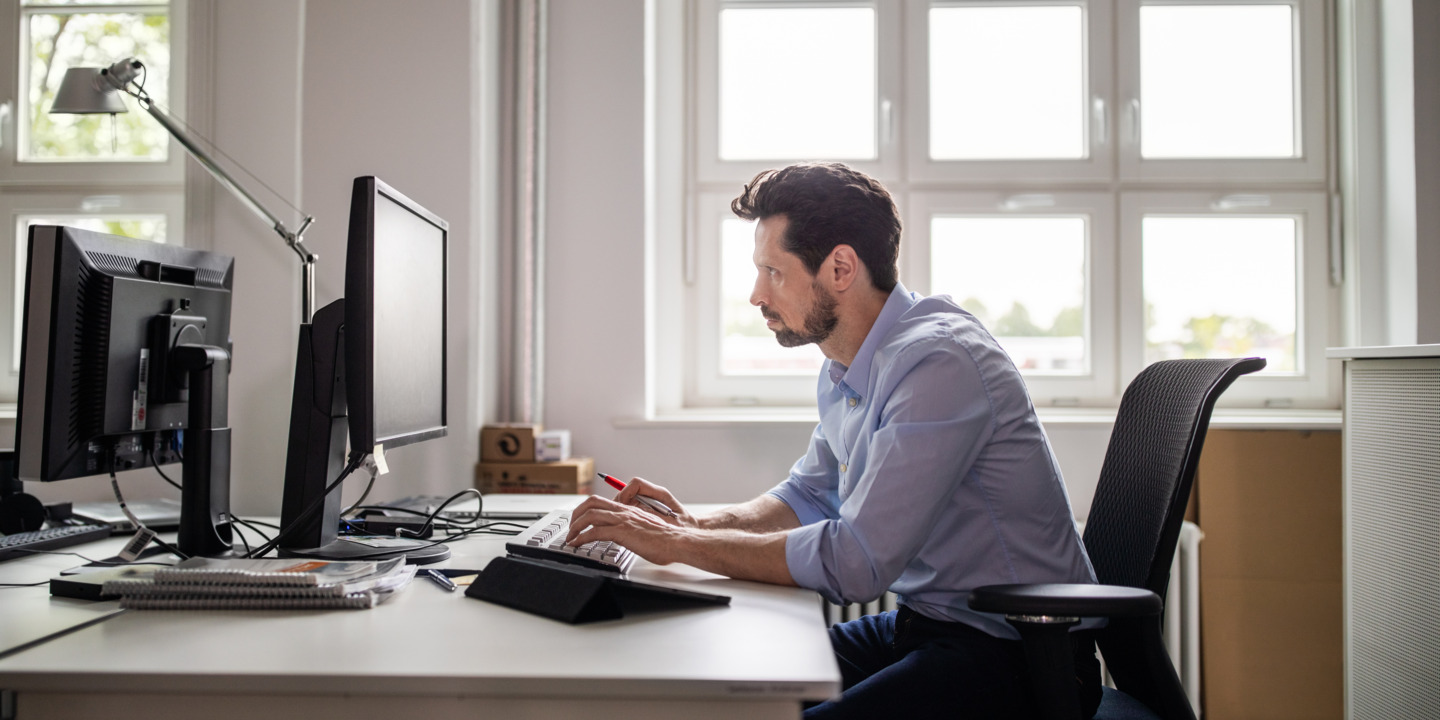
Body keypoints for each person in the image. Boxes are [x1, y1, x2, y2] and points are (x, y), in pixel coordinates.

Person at [564, 162, 1101, 719]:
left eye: (773, 271)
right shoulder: (851, 366)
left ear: (841, 267)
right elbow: (808, 496)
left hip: (1022, 658)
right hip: (929, 628)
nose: (754, 294)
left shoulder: (939, 362)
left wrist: (675, 546)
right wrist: (692, 526)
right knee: (722, 692)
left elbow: (856, 562)